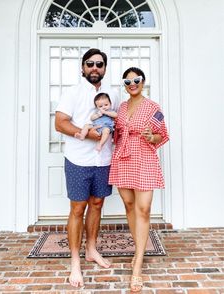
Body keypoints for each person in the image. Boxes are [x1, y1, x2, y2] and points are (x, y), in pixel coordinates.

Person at [55, 48, 118, 288]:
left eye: (99, 64)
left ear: (104, 68)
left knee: (97, 204)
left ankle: (91, 250)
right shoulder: (71, 93)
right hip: (78, 159)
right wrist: (93, 135)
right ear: (82, 67)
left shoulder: (113, 94)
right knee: (77, 208)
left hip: (103, 160)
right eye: (89, 63)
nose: (94, 68)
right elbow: (60, 123)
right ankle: (75, 261)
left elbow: (117, 124)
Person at [109, 67, 169, 292]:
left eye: (136, 79)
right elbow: (114, 130)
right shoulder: (122, 107)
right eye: (127, 80)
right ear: (124, 84)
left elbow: (162, 134)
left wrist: (150, 136)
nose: (132, 83)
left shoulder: (154, 108)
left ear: (143, 82)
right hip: (123, 157)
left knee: (143, 209)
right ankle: (138, 250)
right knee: (129, 205)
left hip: (144, 156)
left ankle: (138, 266)